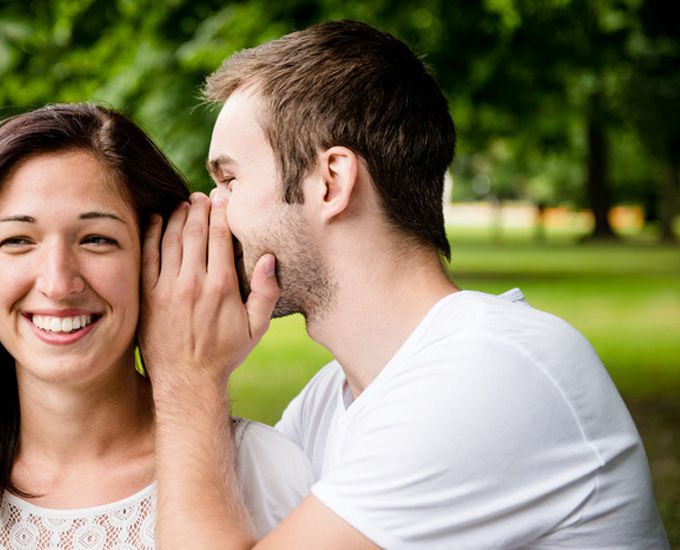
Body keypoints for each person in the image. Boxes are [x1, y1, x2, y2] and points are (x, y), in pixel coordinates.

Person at [139, 20, 669, 549]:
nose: (211, 209)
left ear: (330, 182)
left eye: (229, 179)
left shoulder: (488, 374)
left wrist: (189, 379)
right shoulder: (329, 401)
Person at [0, 103, 312, 550]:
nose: (57, 283)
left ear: (161, 262)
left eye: (96, 239)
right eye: (18, 240)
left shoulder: (265, 471)